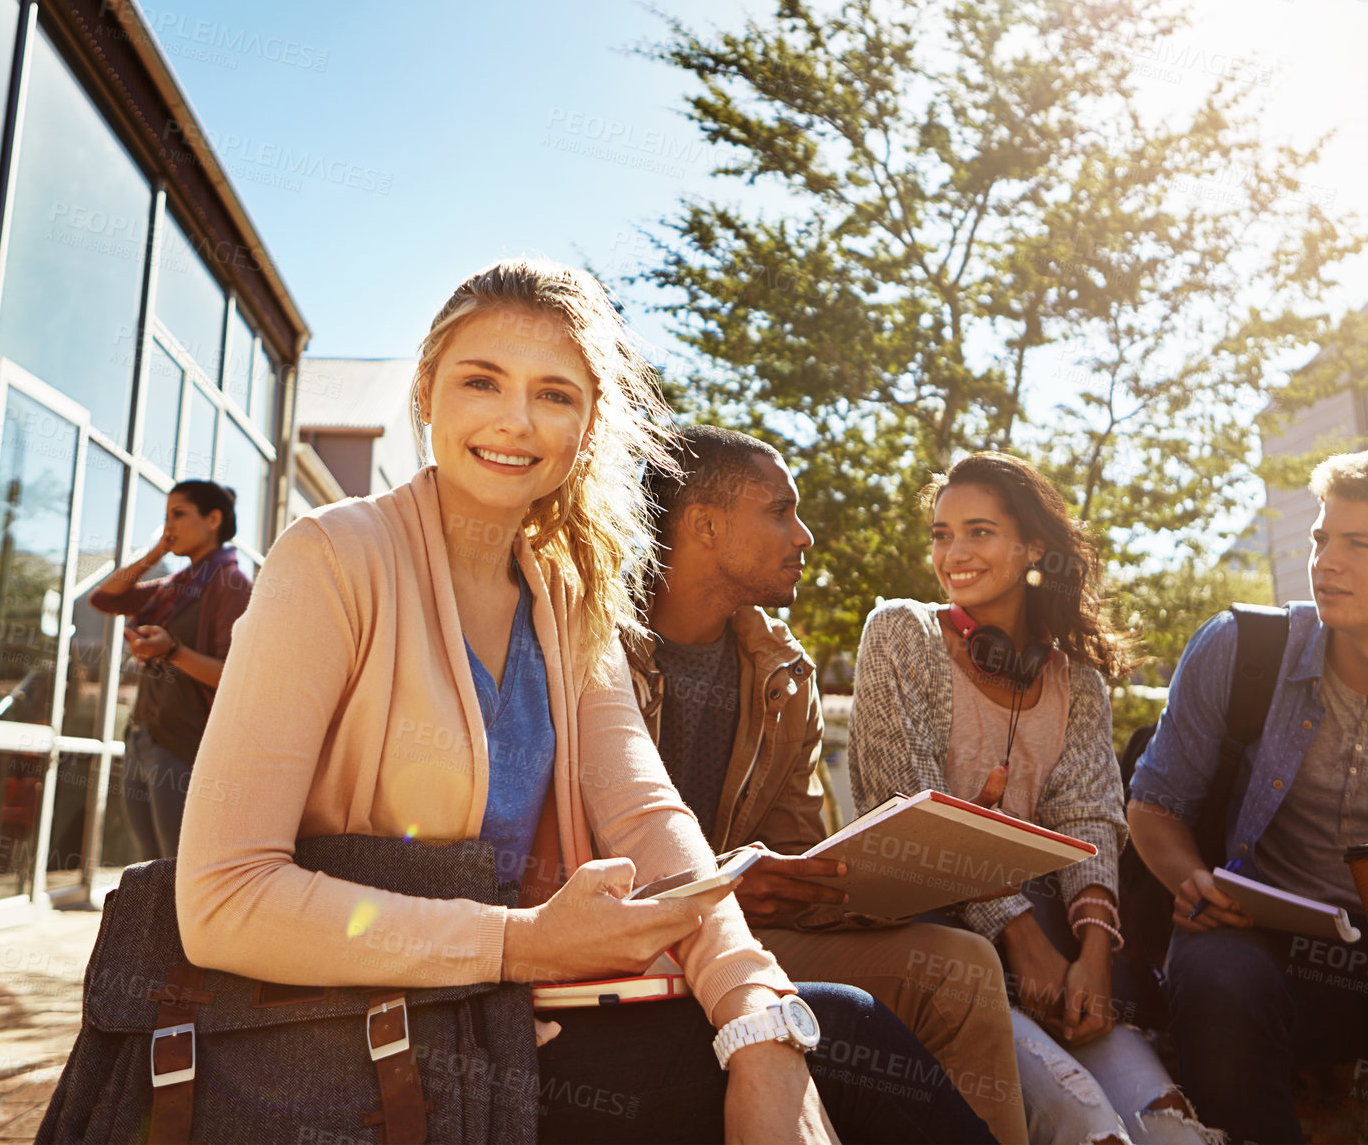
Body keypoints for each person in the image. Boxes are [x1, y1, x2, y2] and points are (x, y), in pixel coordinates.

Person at [176, 259, 995, 1143]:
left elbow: (648, 817)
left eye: (555, 395)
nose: (515, 420)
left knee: (832, 1031)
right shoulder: (332, 558)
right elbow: (223, 899)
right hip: (354, 1036)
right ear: (425, 393)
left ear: (588, 424)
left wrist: (759, 1021)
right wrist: (518, 944)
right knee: (857, 1051)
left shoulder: (568, 591)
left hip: (519, 1013)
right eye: (480, 380)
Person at [623, 425, 1026, 1143]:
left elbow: (796, 860)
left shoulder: (784, 673)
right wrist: (716, 886)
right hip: (632, 939)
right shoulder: (589, 649)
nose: (803, 535)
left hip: (746, 935)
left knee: (959, 964)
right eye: (780, 510)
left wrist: (936, 865)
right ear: (705, 525)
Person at [846, 451, 1218, 1145]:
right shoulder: (901, 633)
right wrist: (1018, 936)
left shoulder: (1077, 682)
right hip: (948, 955)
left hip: (1056, 952)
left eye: (978, 531)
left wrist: (1092, 962)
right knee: (1085, 1124)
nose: (952, 552)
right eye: (940, 533)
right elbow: (909, 809)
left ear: (1032, 547)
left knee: (1169, 1127)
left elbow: (1088, 821)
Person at [1130, 446, 1368, 1145]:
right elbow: (1154, 802)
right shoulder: (1241, 649)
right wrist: (1191, 880)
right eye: (1322, 539)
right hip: (1261, 942)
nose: (1325, 561)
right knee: (1214, 979)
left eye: (1358, 544)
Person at [88, 480, 250, 861]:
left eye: (178, 514)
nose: (169, 525)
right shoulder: (175, 586)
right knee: (149, 862)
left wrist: (173, 650)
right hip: (143, 736)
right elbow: (104, 598)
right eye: (165, 516)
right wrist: (159, 549)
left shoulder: (232, 584)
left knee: (178, 867)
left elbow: (234, 677)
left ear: (213, 519)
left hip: (185, 744)